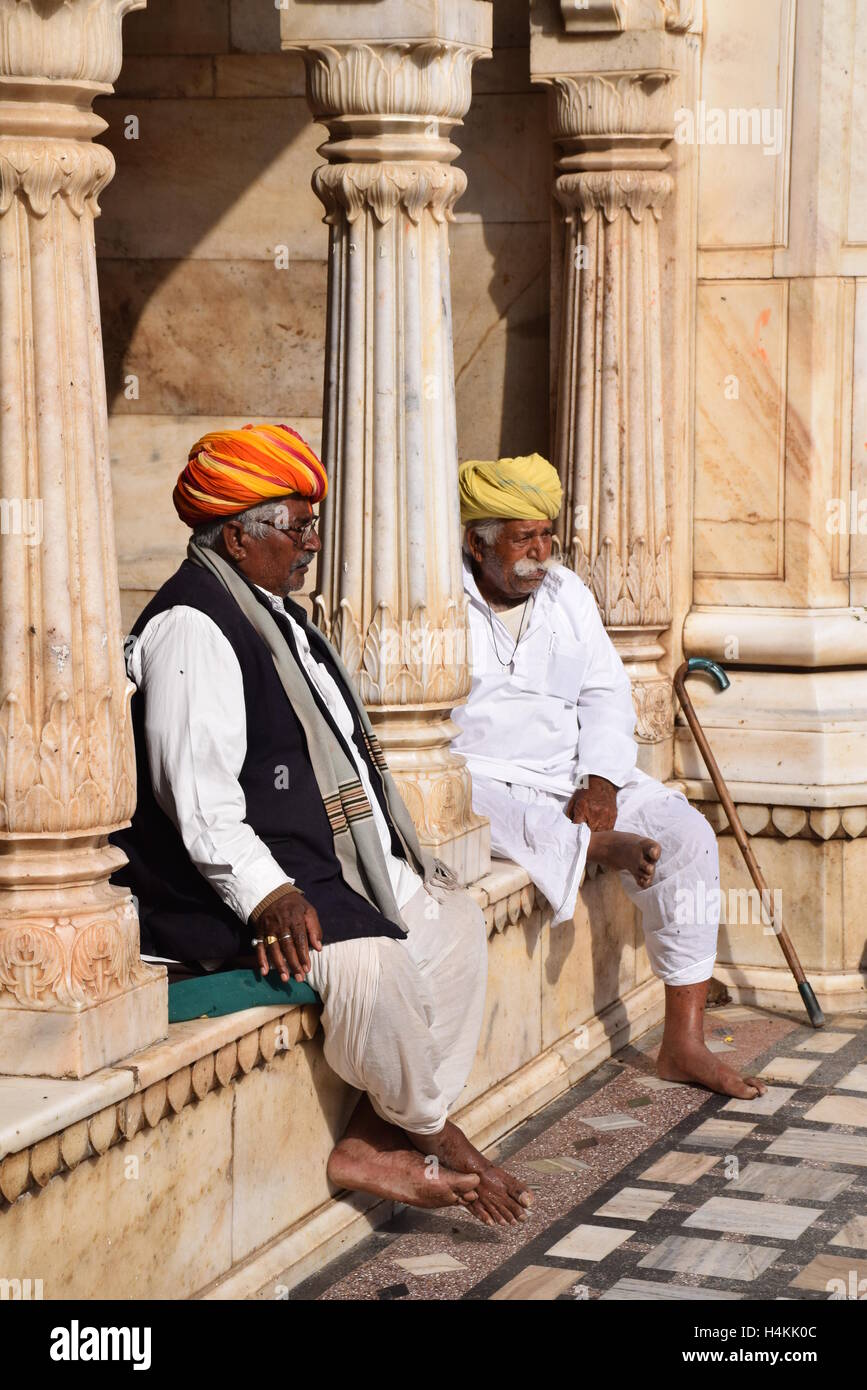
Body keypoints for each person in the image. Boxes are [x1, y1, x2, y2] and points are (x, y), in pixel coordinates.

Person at [111, 423, 533, 1226]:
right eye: (295, 527)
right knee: (372, 964)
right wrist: (267, 893)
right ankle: (443, 1137)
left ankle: (376, 1135)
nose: (310, 545)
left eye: (312, 525)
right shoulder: (195, 627)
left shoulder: (275, 612)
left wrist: (387, 865)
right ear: (237, 534)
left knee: (449, 922)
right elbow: (195, 800)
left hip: (303, 860)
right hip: (208, 893)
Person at [451, 454, 767, 1100]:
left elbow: (604, 694)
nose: (539, 553)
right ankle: (592, 848)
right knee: (466, 803)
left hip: (571, 773)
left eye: (546, 535)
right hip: (482, 777)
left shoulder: (567, 593)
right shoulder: (431, 601)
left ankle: (683, 1040)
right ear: (474, 542)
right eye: (522, 538)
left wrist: (601, 779)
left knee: (686, 833)